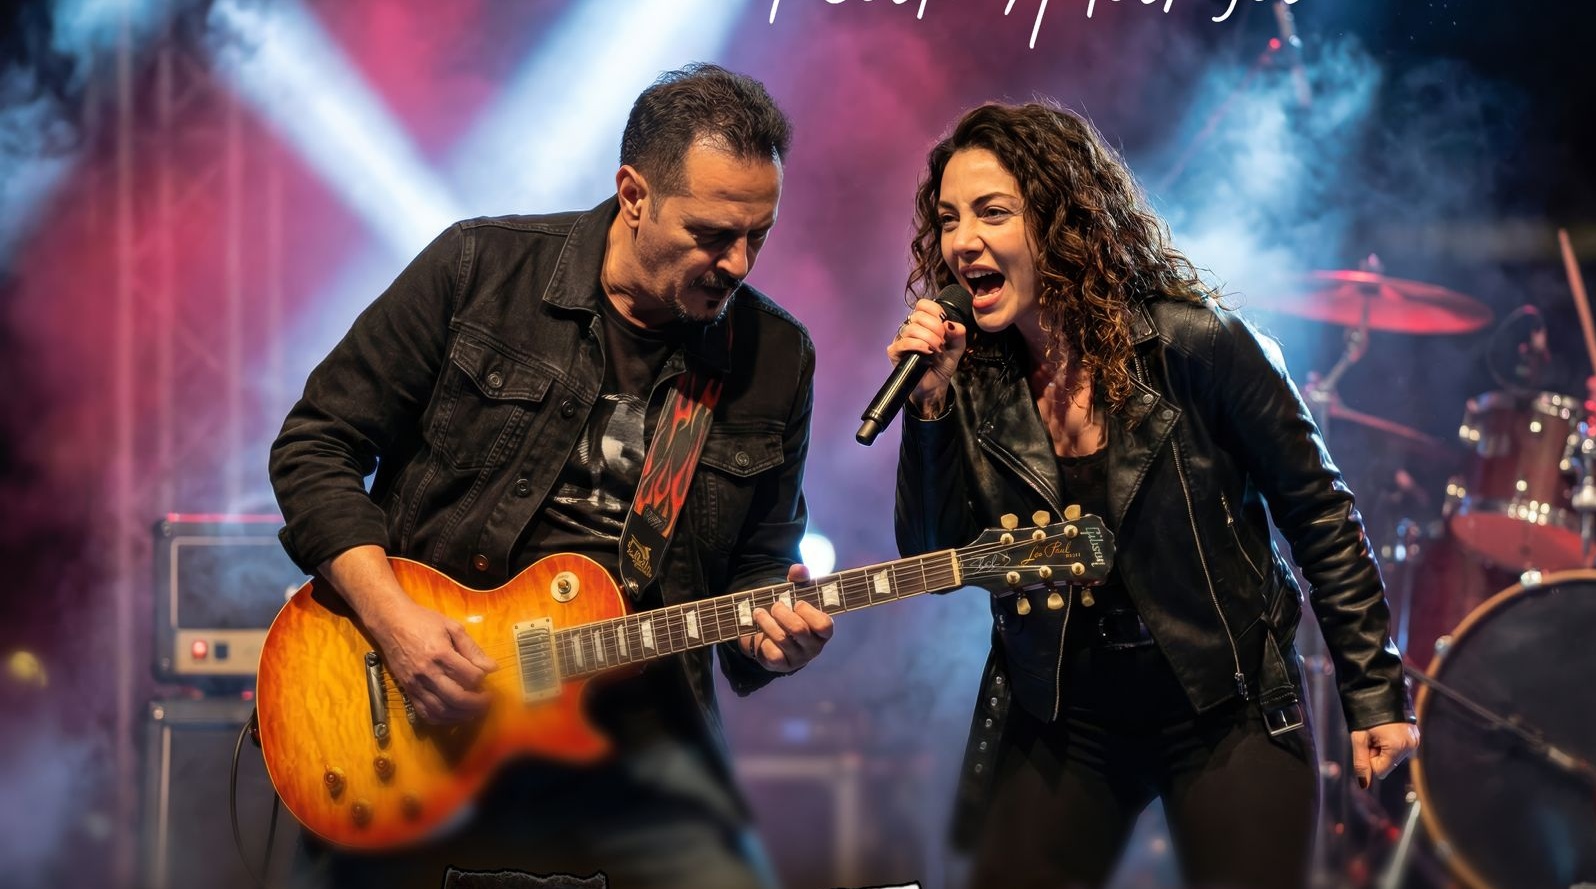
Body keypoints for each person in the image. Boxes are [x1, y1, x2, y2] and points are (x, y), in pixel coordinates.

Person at [269, 63, 832, 889]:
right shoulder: (478, 269)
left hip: (640, 738)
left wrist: (773, 638)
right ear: (634, 194)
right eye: (713, 233)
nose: (740, 262)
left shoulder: (773, 356)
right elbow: (315, 444)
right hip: (428, 700)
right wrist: (393, 622)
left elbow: (759, 564)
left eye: (760, 234)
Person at [888, 101, 1419, 889]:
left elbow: (1321, 513)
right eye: (948, 219)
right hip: (1065, 709)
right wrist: (928, 407)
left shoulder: (1196, 344)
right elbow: (936, 555)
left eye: (992, 212)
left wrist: (1374, 692)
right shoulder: (971, 376)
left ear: (1059, 219)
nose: (962, 240)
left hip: (1223, 701)